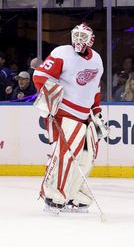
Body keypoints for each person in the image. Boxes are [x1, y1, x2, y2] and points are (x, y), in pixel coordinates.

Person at [32, 23, 107, 213]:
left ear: (91, 39)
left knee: (87, 157)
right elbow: (40, 76)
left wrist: (96, 112)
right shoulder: (62, 53)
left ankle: (73, 193)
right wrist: (50, 100)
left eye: (83, 36)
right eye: (76, 35)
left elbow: (95, 89)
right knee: (65, 155)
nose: (79, 40)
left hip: (85, 116)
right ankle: (53, 194)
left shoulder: (97, 59)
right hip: (64, 113)